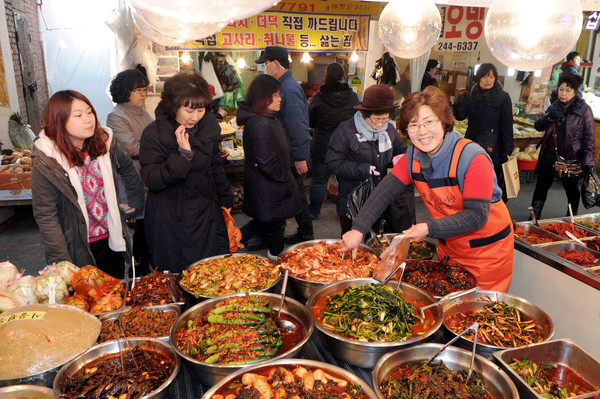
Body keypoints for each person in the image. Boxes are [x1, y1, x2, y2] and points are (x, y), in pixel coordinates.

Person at [341, 86, 514, 292]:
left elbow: (477, 216)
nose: (422, 132)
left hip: (487, 253)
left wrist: (429, 228)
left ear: (444, 122)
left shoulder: (472, 158)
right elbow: (384, 192)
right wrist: (358, 229)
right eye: (413, 125)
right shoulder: (412, 156)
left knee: (478, 313)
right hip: (451, 250)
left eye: (429, 122)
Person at [31, 90, 144, 278]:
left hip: (111, 239)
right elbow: (46, 215)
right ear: (59, 120)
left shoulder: (104, 143)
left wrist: (134, 202)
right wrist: (61, 261)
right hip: (76, 245)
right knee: (84, 300)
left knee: (113, 295)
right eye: (78, 115)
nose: (88, 119)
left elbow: (128, 168)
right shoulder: (47, 159)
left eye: (90, 112)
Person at [139, 72, 233, 273]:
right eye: (188, 110)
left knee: (210, 273)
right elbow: (152, 179)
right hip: (171, 218)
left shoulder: (207, 128)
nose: (195, 117)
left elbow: (215, 167)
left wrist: (226, 203)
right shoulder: (154, 134)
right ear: (173, 105)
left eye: (200, 110)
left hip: (205, 214)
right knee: (177, 275)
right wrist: (182, 155)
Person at [326, 84, 415, 236]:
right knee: (353, 241)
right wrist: (362, 170)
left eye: (385, 119)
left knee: (381, 241)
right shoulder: (345, 131)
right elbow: (333, 163)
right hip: (354, 200)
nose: (380, 124)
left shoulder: (390, 130)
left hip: (382, 199)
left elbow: (400, 152)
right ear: (365, 114)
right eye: (375, 119)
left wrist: (400, 163)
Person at [236, 75, 302, 261]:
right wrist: (285, 179)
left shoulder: (265, 119)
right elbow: (267, 162)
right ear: (262, 98)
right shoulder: (261, 124)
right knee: (275, 226)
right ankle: (276, 261)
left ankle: (230, 242)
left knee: (264, 223)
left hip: (267, 187)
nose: (279, 98)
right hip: (270, 188)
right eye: (275, 95)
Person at [255, 46, 314, 245]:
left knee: (296, 194)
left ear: (276, 64)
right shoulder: (282, 85)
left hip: (291, 155)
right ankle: (298, 232)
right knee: (290, 193)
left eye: (265, 64)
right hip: (285, 152)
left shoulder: (288, 88)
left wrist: (300, 157)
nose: (264, 68)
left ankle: (306, 233)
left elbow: (298, 125)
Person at [530, 73, 595, 220]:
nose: (563, 93)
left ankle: (571, 217)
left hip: (571, 158)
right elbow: (538, 126)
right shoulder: (554, 106)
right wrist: (549, 117)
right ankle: (534, 216)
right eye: (561, 89)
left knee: (571, 189)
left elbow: (589, 138)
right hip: (549, 153)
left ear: (574, 92)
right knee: (541, 186)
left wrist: (589, 164)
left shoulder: (584, 110)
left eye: (568, 90)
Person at [107, 67, 153, 274]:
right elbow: (132, 148)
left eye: (145, 89)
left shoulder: (143, 112)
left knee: (149, 223)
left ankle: (146, 263)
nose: (144, 94)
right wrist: (158, 148)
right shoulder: (116, 116)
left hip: (149, 174)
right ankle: (137, 267)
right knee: (140, 225)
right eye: (139, 90)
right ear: (126, 91)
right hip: (134, 178)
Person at [452, 63, 513, 202]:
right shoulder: (471, 96)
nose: (488, 80)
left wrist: (508, 148)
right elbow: (460, 116)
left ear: (495, 78)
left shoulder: (503, 97)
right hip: (472, 143)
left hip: (494, 146)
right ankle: (474, 204)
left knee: (491, 179)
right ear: (478, 78)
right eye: (484, 76)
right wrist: (458, 103)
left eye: (491, 77)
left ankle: (493, 206)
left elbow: (507, 124)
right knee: (472, 175)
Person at [308, 62, 359, 219]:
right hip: (346, 147)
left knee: (318, 181)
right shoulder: (352, 96)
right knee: (345, 183)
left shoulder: (318, 97)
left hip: (323, 146)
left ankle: (314, 212)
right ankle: (343, 212)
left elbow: (310, 122)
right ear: (343, 77)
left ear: (325, 76)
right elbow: (358, 120)